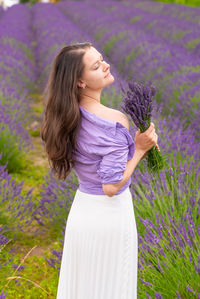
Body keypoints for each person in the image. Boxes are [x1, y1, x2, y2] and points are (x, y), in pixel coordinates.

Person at [41, 42, 158, 299]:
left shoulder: (66, 116)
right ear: (80, 81)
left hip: (82, 211)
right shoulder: (113, 121)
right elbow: (111, 186)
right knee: (111, 286)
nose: (105, 65)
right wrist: (140, 149)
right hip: (110, 217)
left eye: (102, 59)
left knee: (83, 286)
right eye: (96, 66)